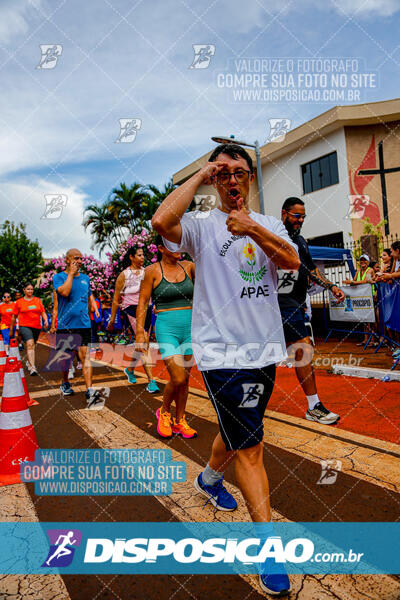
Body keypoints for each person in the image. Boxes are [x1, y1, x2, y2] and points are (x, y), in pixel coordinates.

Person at [152, 143, 300, 596]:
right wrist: (198, 174)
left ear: (251, 177)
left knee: (241, 430)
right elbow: (161, 222)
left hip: (264, 352)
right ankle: (268, 549)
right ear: (215, 182)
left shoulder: (271, 224)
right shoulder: (199, 226)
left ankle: (209, 476)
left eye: (239, 171)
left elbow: (293, 263)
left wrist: (252, 229)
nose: (231, 179)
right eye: (222, 174)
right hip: (221, 355)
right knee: (251, 446)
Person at [279, 198, 344, 424]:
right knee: (300, 348)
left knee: (300, 349)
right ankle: (313, 405)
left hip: (296, 303)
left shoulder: (301, 241)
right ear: (284, 213)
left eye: (303, 217)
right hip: (278, 302)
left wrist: (331, 286)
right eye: (296, 216)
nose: (300, 220)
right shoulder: (275, 235)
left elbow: (311, 269)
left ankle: (313, 406)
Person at [135, 236, 196, 439]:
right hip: (166, 328)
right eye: (173, 244)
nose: (179, 247)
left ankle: (180, 420)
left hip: (190, 328)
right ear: (161, 248)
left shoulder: (189, 267)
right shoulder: (152, 271)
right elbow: (143, 302)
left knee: (185, 380)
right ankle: (164, 411)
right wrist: (140, 332)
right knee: (177, 376)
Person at [52, 248, 107, 409]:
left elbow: (88, 293)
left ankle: (89, 390)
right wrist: (70, 274)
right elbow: (65, 292)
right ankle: (65, 382)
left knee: (85, 358)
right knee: (66, 360)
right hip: (66, 325)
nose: (80, 261)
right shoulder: (59, 277)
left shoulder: (85, 278)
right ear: (67, 260)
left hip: (83, 324)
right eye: (76, 258)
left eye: (82, 258)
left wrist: (93, 306)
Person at [107, 246, 159, 393]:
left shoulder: (147, 272)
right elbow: (116, 299)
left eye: (143, 255)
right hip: (131, 309)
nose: (143, 258)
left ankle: (130, 369)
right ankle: (151, 381)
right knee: (143, 343)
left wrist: (155, 305)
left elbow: (153, 291)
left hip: (147, 309)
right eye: (139, 255)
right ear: (131, 257)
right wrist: (112, 321)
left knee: (141, 343)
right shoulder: (124, 275)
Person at [9, 283, 48, 375]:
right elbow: (14, 317)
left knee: (32, 345)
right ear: (24, 290)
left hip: (37, 327)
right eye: (28, 289)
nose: (30, 291)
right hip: (24, 326)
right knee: (30, 344)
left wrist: (46, 320)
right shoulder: (19, 302)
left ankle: (29, 362)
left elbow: (43, 312)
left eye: (31, 289)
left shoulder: (37, 300)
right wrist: (11, 329)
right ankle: (33, 368)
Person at [344, 253, 375, 346]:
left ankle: (372, 340)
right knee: (364, 319)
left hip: (370, 296)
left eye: (364, 260)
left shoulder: (370, 270)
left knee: (371, 319)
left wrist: (352, 282)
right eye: (361, 260)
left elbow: (367, 281)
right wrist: (350, 282)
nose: (362, 262)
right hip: (362, 297)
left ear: (368, 262)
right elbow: (354, 282)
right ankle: (366, 339)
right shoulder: (358, 271)